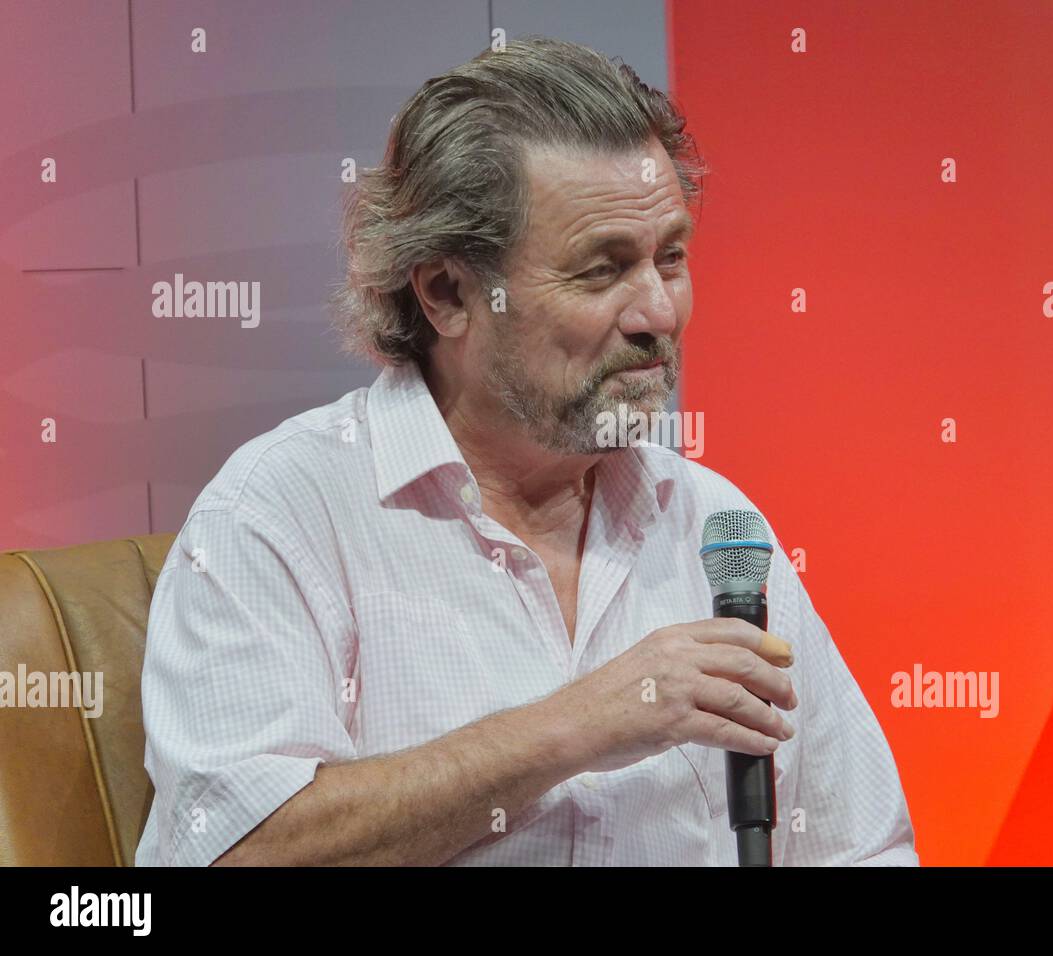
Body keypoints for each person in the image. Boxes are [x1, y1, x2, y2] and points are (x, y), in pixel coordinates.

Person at [135, 35, 918, 867]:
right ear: (446, 293)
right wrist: (578, 724)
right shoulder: (281, 512)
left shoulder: (716, 526)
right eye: (600, 270)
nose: (658, 311)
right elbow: (231, 854)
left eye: (672, 258)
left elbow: (860, 849)